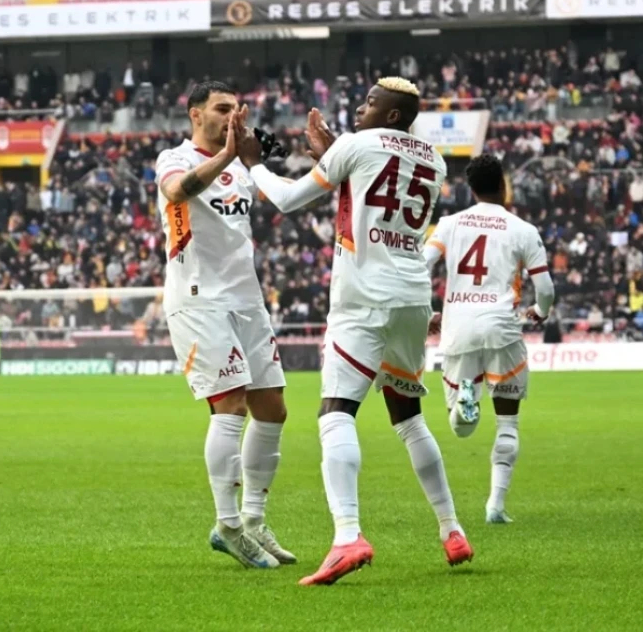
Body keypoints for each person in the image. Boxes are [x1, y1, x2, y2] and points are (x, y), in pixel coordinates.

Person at [243, 80, 472, 586]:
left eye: (370, 103)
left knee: (335, 413)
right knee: (408, 418)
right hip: (413, 298)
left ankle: (348, 535)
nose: (360, 108)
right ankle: (452, 529)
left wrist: (254, 162)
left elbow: (288, 199)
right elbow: (371, 188)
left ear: (392, 115)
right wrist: (336, 155)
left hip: (363, 299)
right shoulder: (434, 160)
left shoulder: (356, 143)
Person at [155, 81, 294, 570]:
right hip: (199, 299)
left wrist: (263, 158)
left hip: (246, 298)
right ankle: (228, 525)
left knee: (273, 409)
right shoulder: (174, 158)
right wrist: (229, 154)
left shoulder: (242, 166)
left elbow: (287, 190)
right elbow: (178, 191)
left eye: (237, 108)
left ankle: (254, 520)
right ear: (195, 114)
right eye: (221, 108)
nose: (231, 115)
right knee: (231, 404)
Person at [424, 154, 554, 524]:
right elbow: (545, 288)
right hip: (502, 328)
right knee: (508, 423)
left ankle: (467, 397)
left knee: (461, 428)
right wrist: (540, 311)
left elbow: (420, 266)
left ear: (471, 188)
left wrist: (427, 311)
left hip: (459, 327)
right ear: (502, 185)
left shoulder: (449, 224)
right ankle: (495, 505)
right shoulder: (523, 229)